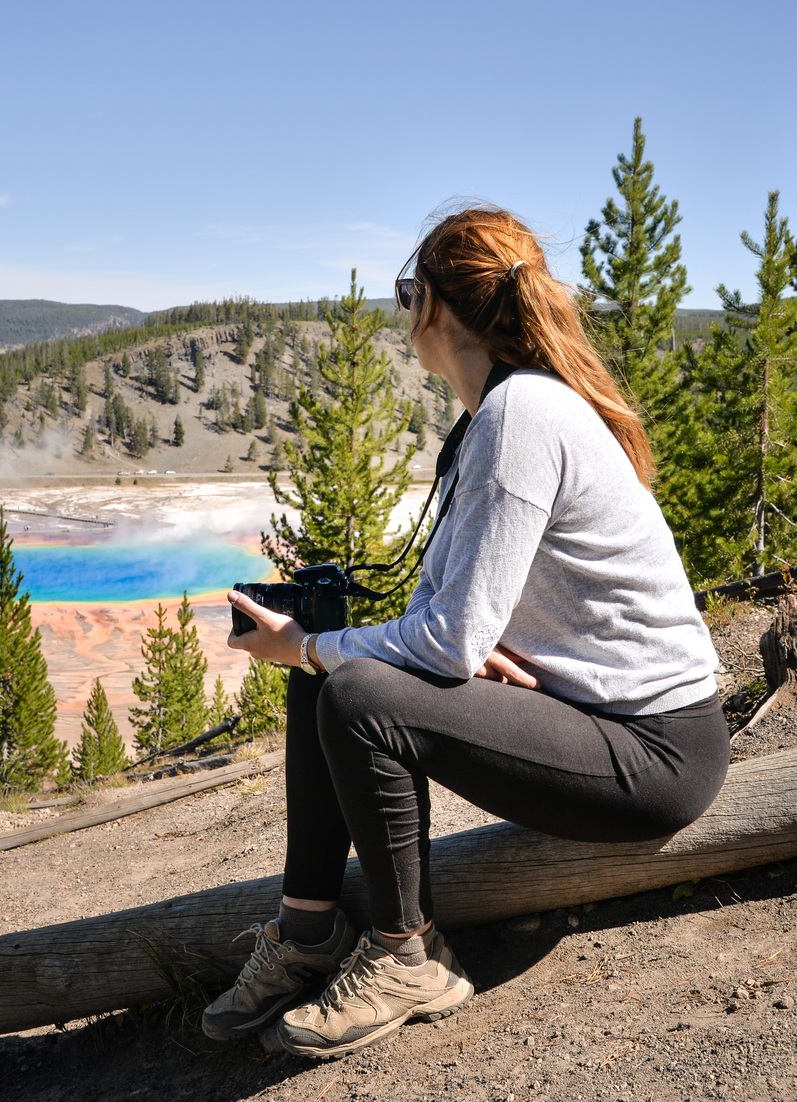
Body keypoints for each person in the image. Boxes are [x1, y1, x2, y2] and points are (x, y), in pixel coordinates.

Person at [201, 203, 730, 1059]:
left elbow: (440, 643)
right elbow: (458, 618)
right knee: (329, 669)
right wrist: (331, 651)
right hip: (595, 713)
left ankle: (408, 957)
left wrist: (306, 646)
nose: (406, 312)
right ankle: (306, 933)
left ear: (434, 307)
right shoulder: (504, 414)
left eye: (408, 291)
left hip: (658, 752)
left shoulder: (521, 417)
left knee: (356, 687)